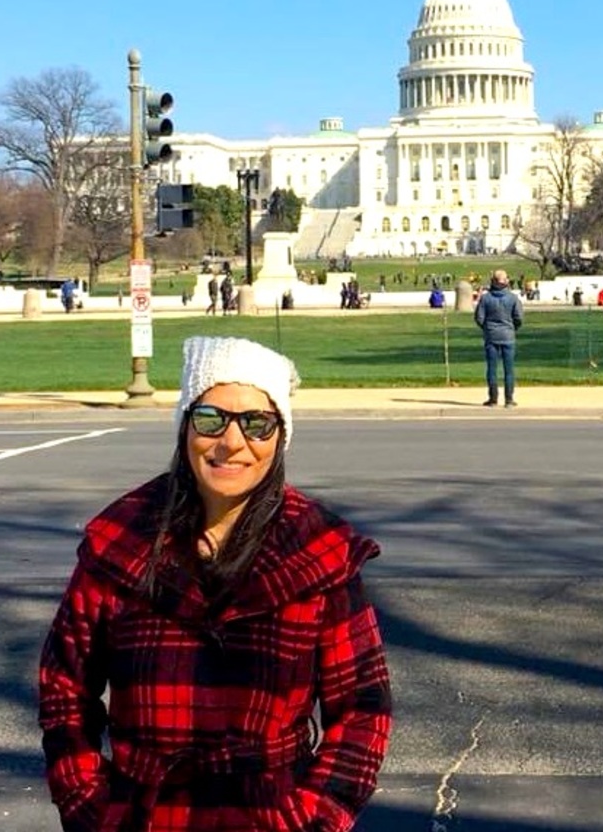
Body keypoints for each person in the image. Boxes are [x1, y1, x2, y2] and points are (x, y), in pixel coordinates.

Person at [39, 336, 392, 832]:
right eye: (211, 419)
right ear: (185, 427)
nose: (231, 442)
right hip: (144, 816)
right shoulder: (121, 540)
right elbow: (65, 689)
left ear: (279, 435)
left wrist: (317, 819)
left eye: (256, 423)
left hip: (271, 816)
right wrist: (88, 807)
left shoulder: (318, 551)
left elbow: (362, 709)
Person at [474, 268, 523, 407]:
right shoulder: (513, 298)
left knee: (492, 369)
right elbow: (518, 318)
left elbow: (479, 317)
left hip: (491, 335)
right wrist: (512, 328)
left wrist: (487, 328)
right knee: (509, 369)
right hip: (508, 335)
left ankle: (493, 398)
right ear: (505, 281)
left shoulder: (486, 298)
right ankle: (509, 399)